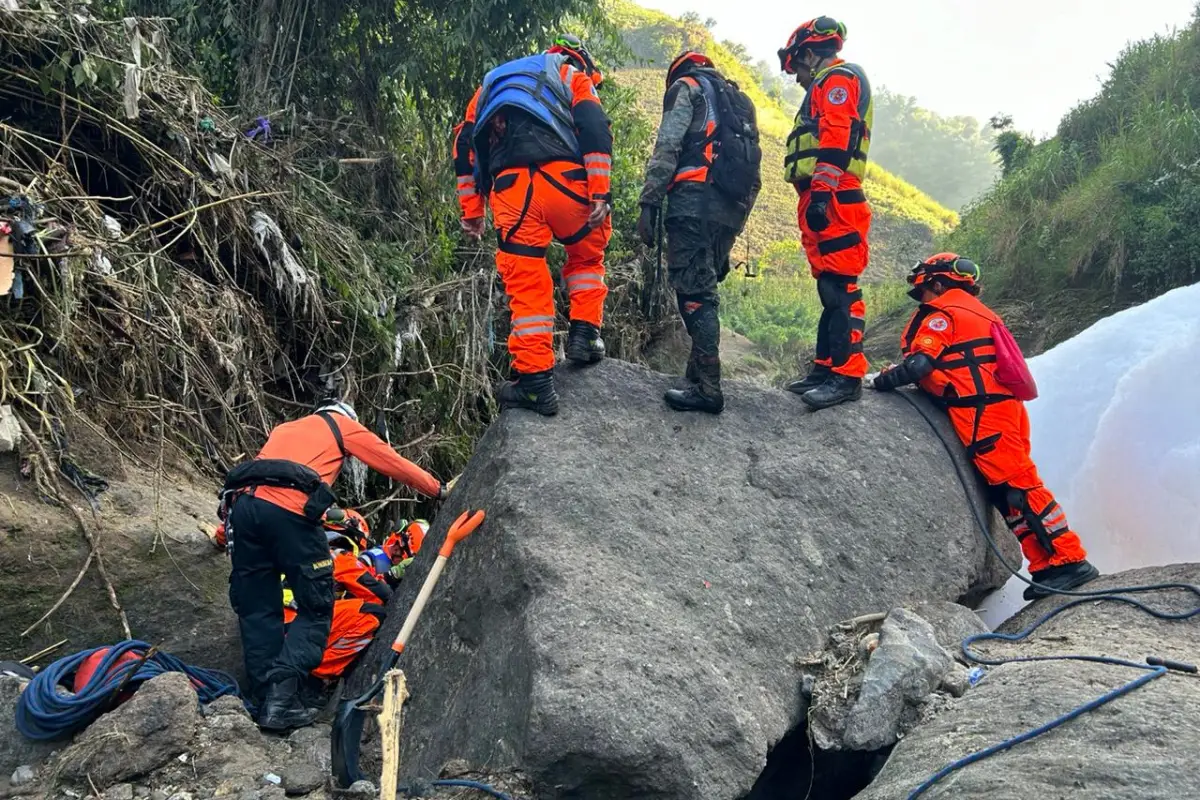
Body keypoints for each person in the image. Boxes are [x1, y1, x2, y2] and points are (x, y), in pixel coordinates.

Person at [870, 253, 1101, 598]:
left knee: (1020, 486)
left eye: (924, 287)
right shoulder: (981, 312)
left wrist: (883, 381)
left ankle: (1070, 560)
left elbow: (920, 364)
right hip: (999, 411)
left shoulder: (944, 313)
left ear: (936, 283)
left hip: (985, 415)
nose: (922, 297)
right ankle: (1047, 565)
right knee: (1006, 492)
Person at [220, 400, 446, 731]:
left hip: (243, 510)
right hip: (290, 514)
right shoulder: (339, 426)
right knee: (316, 607)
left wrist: (220, 532)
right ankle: (280, 704)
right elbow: (389, 460)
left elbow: (260, 481)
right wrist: (437, 489)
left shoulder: (285, 428)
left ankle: (264, 701)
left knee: (257, 610)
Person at [453, 34, 614, 416]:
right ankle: (584, 335)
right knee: (586, 258)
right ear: (579, 60)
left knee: (526, 282)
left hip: (511, 191)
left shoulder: (494, 80)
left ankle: (536, 384)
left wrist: (472, 209)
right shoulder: (571, 74)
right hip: (567, 184)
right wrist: (600, 191)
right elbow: (594, 125)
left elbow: (465, 144)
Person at [637, 52, 761, 414]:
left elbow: (668, 146)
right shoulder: (740, 103)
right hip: (731, 209)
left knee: (693, 292)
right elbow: (755, 173)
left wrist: (650, 202)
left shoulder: (687, 88)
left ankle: (708, 387)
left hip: (693, 202)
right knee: (704, 288)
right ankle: (696, 371)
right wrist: (736, 225)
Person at [778, 17, 874, 410]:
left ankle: (847, 375)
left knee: (841, 288)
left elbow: (837, 135)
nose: (797, 78)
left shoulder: (838, 79)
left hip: (835, 194)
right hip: (824, 192)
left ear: (809, 54)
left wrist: (822, 193)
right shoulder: (826, 82)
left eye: (797, 68)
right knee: (828, 287)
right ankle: (824, 367)